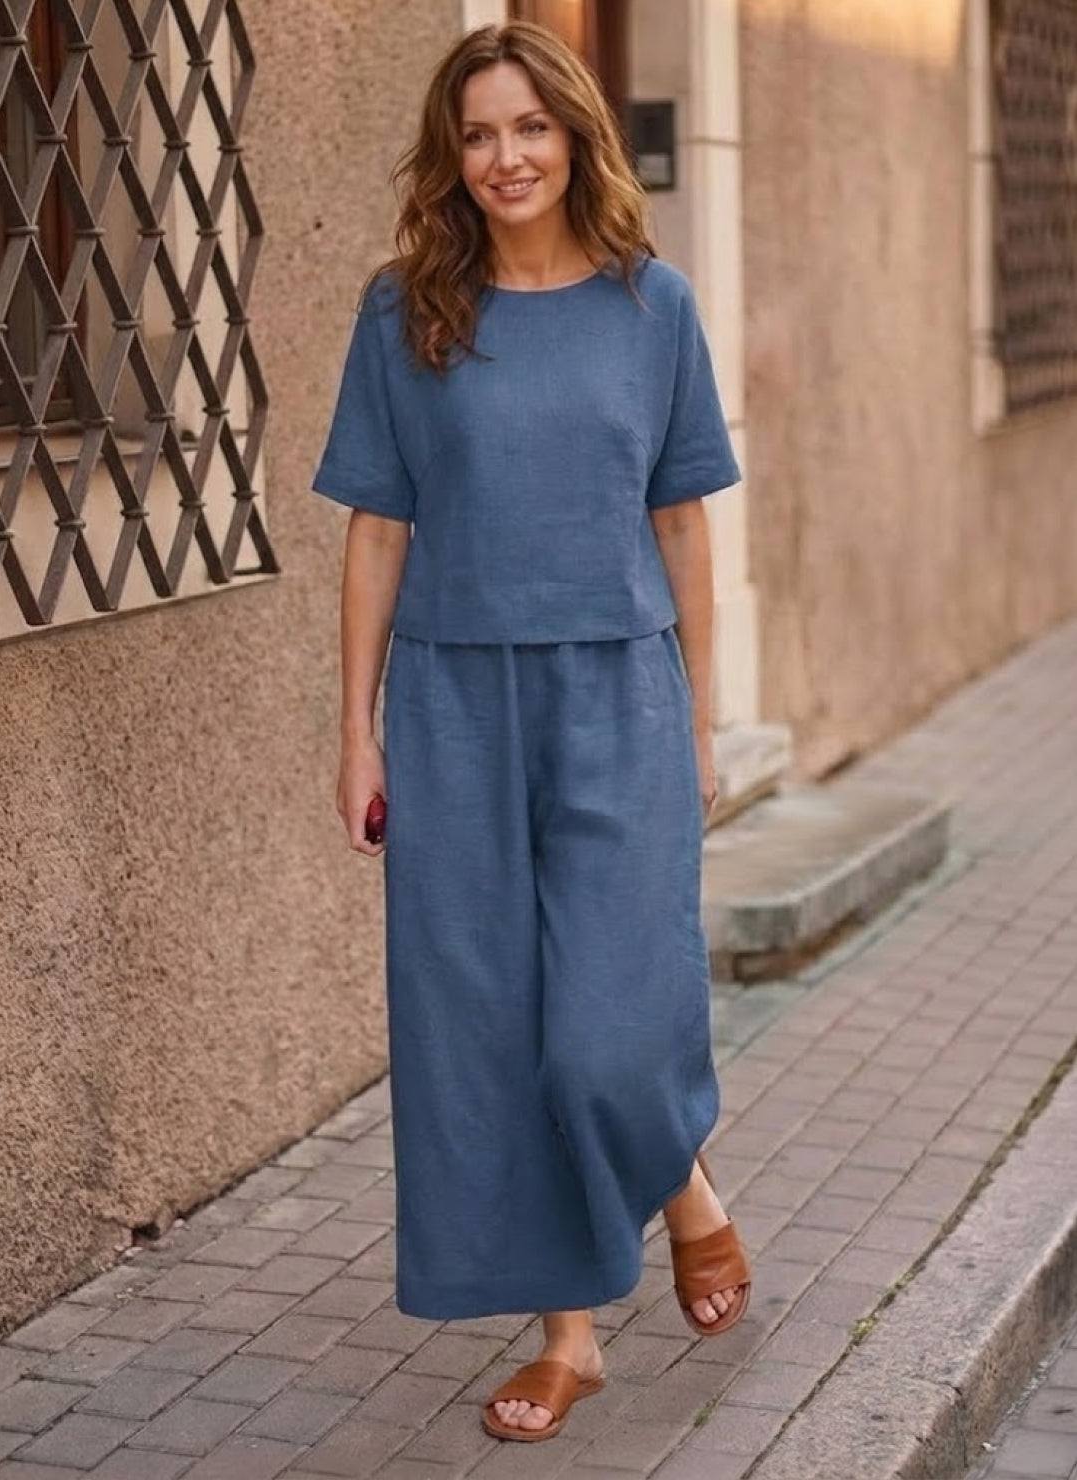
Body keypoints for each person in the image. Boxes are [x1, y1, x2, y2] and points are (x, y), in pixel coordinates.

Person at [310, 19, 752, 1445]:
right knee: (485, 1029)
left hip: (615, 690)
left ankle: (686, 1190)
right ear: (454, 156)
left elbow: (680, 521)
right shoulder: (406, 312)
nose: (503, 157)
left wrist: (693, 720)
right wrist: (355, 732)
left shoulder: (652, 305)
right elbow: (378, 531)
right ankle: (568, 1338)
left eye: (528, 128)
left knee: (607, 1039)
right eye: (478, 133)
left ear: (574, 139)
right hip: (449, 703)